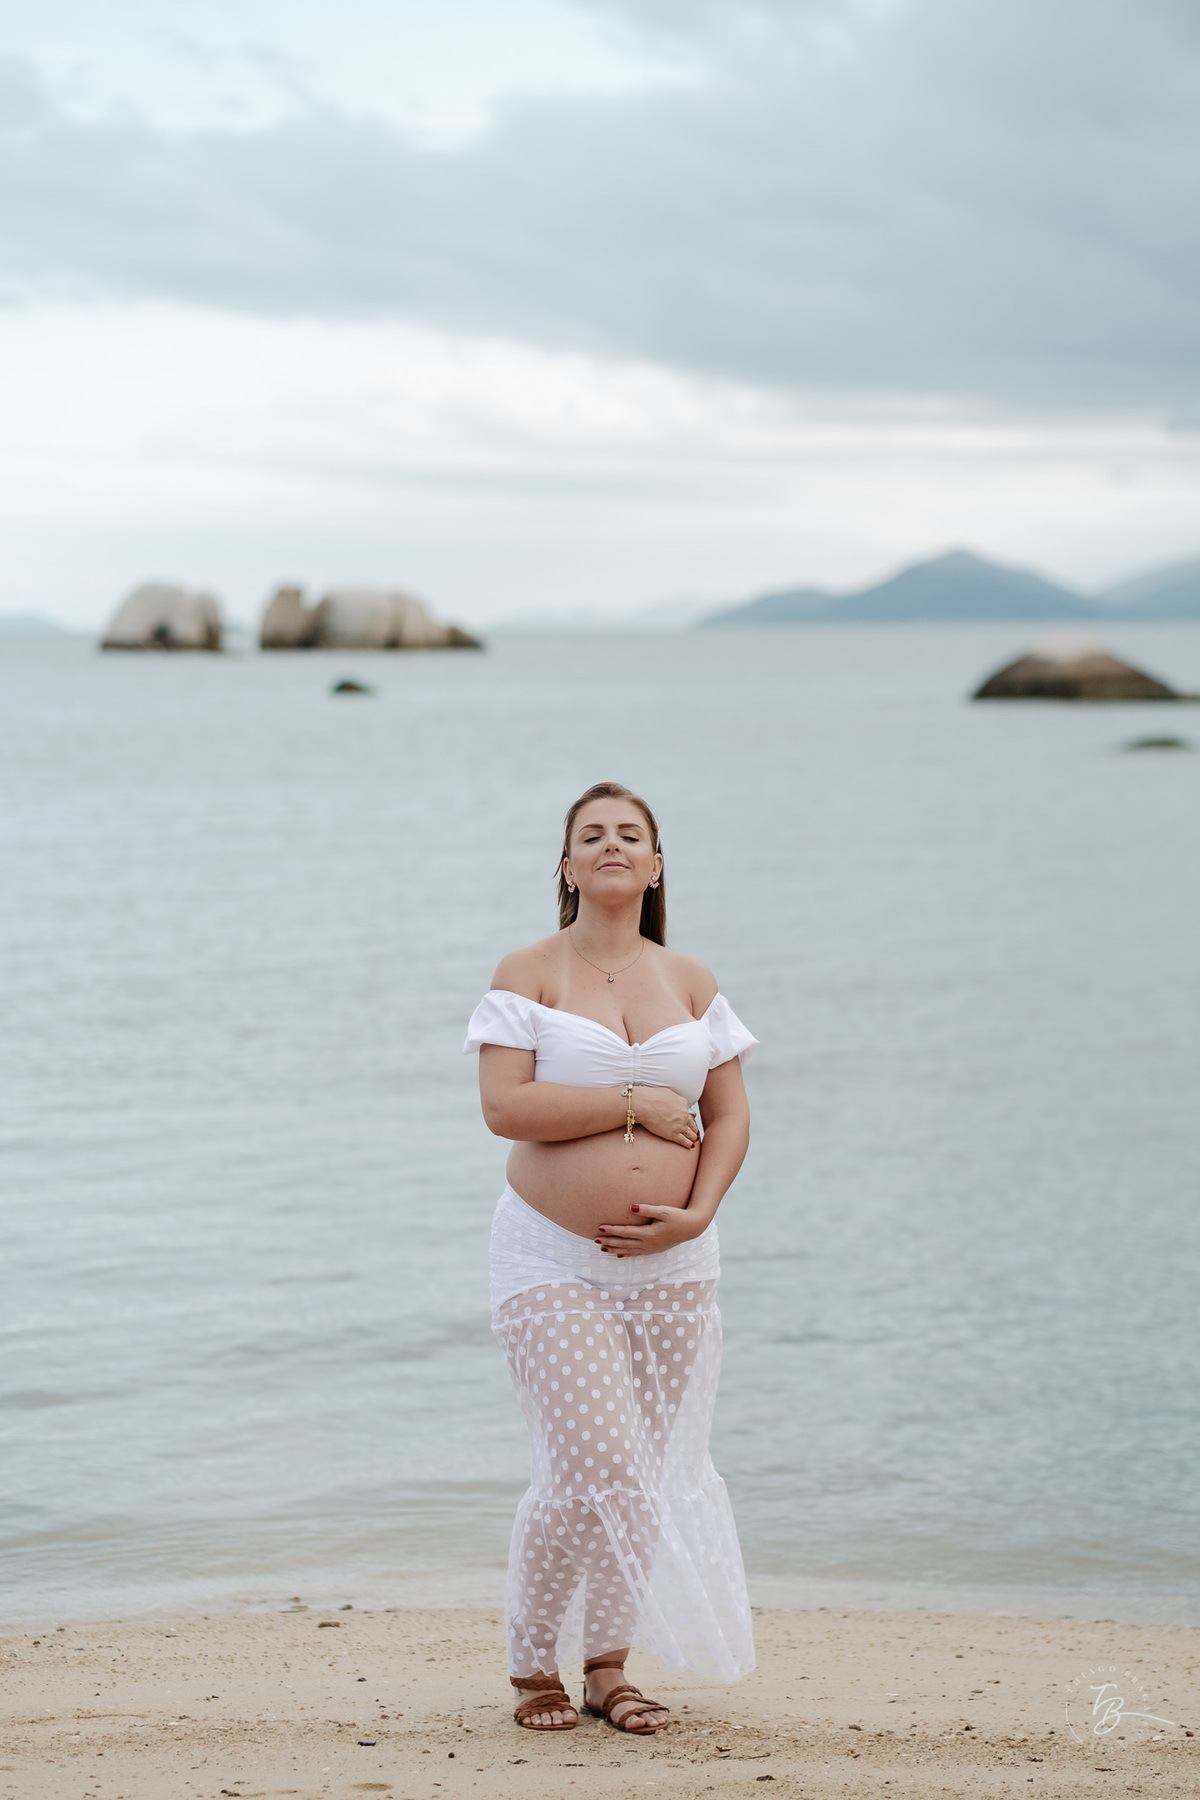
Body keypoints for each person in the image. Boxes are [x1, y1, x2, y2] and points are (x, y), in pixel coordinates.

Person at [463, 781, 757, 1735]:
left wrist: (699, 1213)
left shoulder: (693, 980)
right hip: (551, 1256)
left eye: (631, 834)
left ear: (657, 864)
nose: (612, 845)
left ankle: (607, 1667)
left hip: (676, 1264)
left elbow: (731, 1114)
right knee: (594, 1462)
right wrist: (631, 1106)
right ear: (567, 865)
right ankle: (530, 1667)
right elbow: (504, 1108)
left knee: (652, 1467)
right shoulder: (529, 972)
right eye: (591, 835)